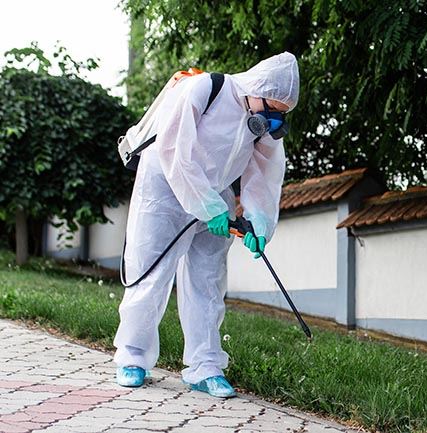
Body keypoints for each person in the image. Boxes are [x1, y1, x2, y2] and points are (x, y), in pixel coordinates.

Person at [113, 52, 300, 398]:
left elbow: (266, 177)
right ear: (255, 88)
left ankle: (205, 367)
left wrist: (258, 225)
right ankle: (132, 358)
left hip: (216, 194)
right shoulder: (204, 89)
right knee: (151, 273)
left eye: (280, 114)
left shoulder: (262, 123)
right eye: (270, 109)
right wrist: (206, 206)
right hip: (165, 189)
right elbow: (174, 149)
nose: (272, 119)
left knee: (208, 282)